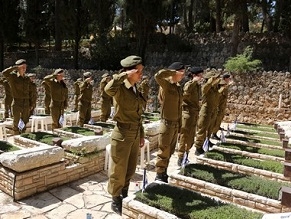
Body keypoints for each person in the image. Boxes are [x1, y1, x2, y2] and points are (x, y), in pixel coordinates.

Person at [105, 55, 146, 215]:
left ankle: (124, 193)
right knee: (119, 169)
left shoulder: (136, 89)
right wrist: (123, 75)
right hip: (122, 133)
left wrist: (141, 134)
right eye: (139, 71)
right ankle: (116, 199)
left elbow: (138, 115)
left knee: (130, 168)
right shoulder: (120, 87)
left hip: (135, 133)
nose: (141, 74)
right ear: (131, 72)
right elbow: (108, 90)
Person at [154, 62, 185, 183]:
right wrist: (172, 71)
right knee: (164, 150)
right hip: (167, 124)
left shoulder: (177, 87)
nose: (183, 75)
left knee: (170, 151)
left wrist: (180, 125)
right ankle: (159, 174)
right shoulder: (166, 85)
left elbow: (179, 107)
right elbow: (158, 76)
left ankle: (164, 171)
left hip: (175, 123)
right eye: (181, 72)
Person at [177, 67, 203, 166]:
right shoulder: (189, 84)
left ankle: (186, 154)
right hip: (187, 114)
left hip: (194, 113)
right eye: (199, 75)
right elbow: (185, 93)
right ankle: (180, 156)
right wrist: (193, 82)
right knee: (184, 136)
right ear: (194, 75)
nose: (201, 77)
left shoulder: (197, 86)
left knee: (191, 136)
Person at [193, 70, 221, 156]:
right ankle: (198, 147)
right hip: (205, 111)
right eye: (215, 78)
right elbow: (204, 89)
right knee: (202, 129)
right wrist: (210, 81)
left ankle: (207, 141)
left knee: (210, 128)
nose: (217, 79)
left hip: (212, 110)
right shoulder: (205, 87)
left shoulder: (214, 88)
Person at [1, 59, 33, 135]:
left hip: (26, 102)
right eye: (22, 67)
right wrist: (14, 68)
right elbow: (4, 73)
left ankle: (23, 134)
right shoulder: (13, 77)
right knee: (16, 121)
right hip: (17, 102)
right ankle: (17, 136)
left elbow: (30, 92)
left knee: (25, 120)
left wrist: (31, 103)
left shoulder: (27, 78)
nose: (24, 69)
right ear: (18, 68)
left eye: (25, 67)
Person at [210, 72, 232, 140]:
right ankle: (213, 133)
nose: (229, 80)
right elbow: (219, 94)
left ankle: (215, 131)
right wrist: (226, 86)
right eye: (229, 78)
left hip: (221, 106)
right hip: (218, 106)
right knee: (217, 120)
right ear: (225, 78)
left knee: (219, 120)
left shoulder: (225, 84)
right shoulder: (221, 84)